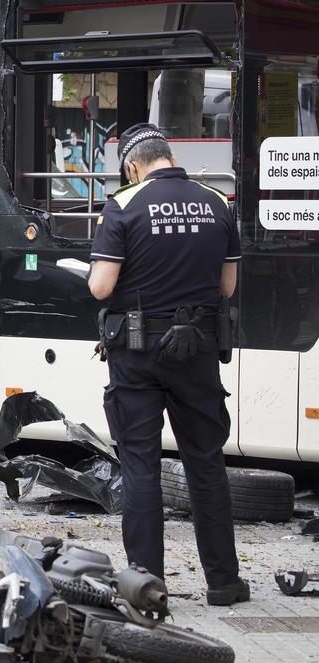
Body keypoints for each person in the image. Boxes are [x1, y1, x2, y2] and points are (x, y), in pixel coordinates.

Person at [89, 123, 248, 606]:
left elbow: (100, 286)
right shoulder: (218, 202)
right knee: (206, 463)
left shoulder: (122, 205)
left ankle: (146, 585)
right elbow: (227, 288)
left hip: (137, 352)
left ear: (133, 165)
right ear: (169, 156)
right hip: (197, 349)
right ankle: (223, 582)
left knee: (140, 466)